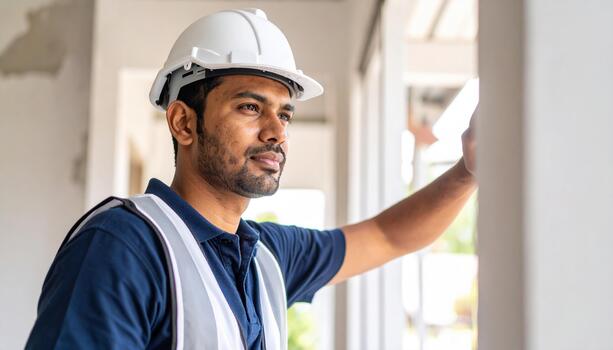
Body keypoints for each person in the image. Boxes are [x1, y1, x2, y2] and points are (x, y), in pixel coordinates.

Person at [25, 8, 477, 350]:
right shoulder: (122, 246)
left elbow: (387, 237)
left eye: (284, 114)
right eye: (249, 107)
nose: (277, 132)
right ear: (183, 123)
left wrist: (467, 172)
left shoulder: (265, 256)